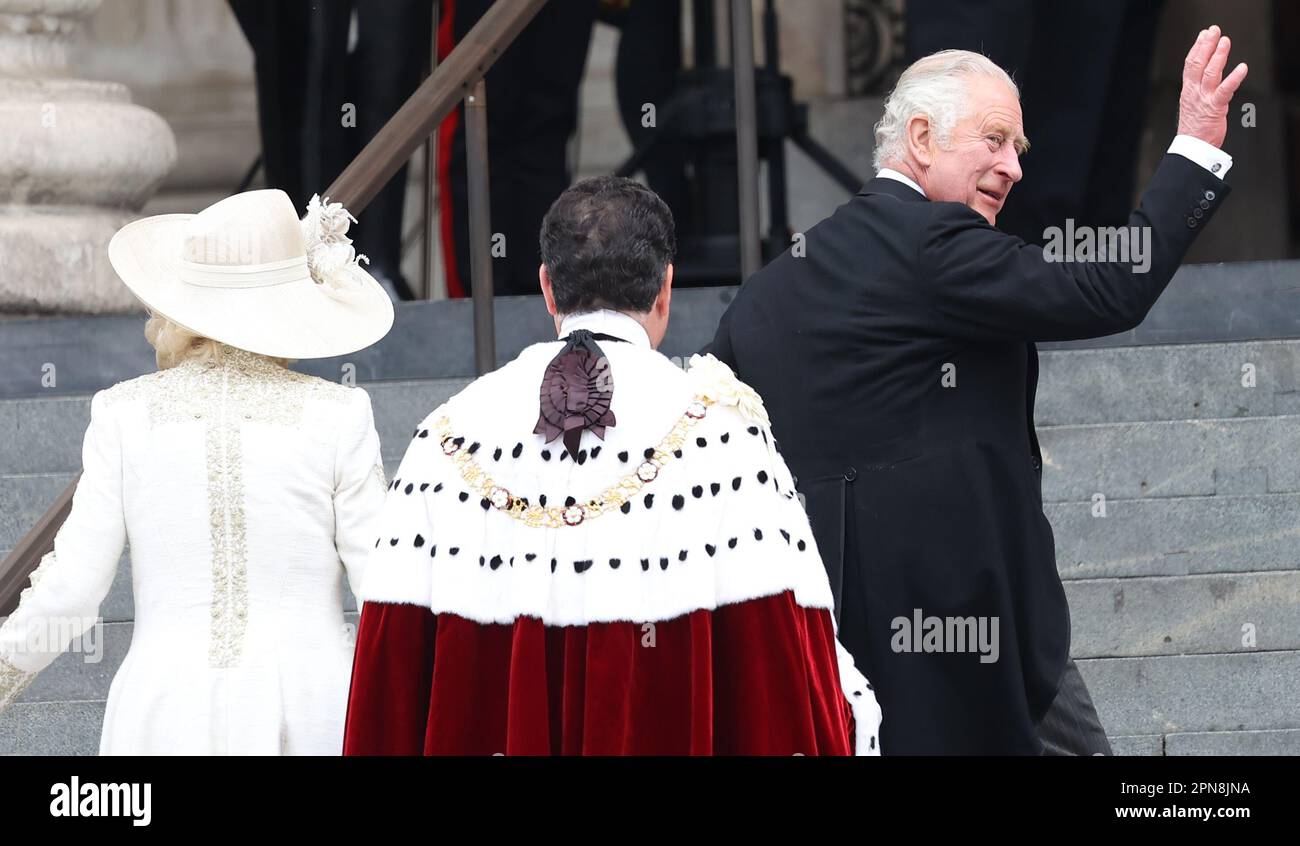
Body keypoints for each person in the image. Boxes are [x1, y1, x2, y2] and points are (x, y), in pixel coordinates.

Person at [707, 29, 1247, 754]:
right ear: (921, 137)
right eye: (995, 140)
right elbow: (1113, 285)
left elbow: (711, 435)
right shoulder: (933, 243)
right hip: (971, 632)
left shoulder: (765, 294)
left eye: (1019, 149)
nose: (1014, 167)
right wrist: (1196, 147)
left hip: (828, 638)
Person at [343, 176, 881, 755]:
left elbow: (387, 684)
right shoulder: (728, 431)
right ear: (665, 291)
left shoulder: (443, 435)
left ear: (548, 289)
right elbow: (788, 670)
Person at [0, 189, 395, 754]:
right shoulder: (339, 413)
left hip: (163, 713)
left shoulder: (123, 413)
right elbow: (384, 588)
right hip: (316, 710)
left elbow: (72, 594)